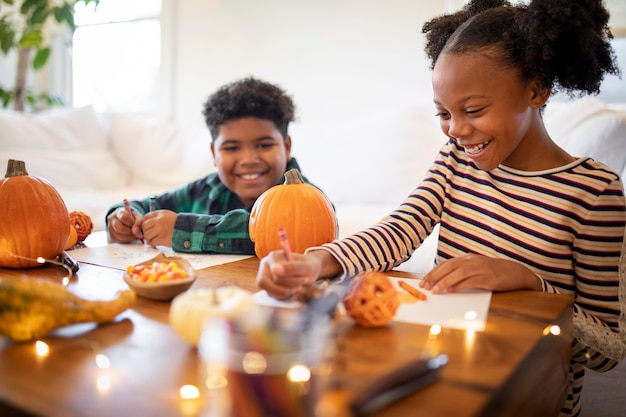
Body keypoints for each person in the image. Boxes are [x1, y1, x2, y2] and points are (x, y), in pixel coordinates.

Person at [255, 1, 626, 416]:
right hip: (443, 372)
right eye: (444, 114)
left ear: (536, 90)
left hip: (531, 395)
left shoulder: (593, 194)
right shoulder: (456, 160)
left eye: (473, 110)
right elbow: (400, 229)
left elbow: (609, 349)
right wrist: (315, 263)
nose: (457, 130)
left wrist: (528, 281)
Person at [106, 76, 322, 254]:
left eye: (264, 145)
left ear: (286, 146)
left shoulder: (311, 198)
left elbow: (275, 232)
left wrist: (181, 230)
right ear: (213, 153)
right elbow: (148, 205)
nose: (248, 159)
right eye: (232, 148)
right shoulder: (207, 188)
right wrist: (123, 218)